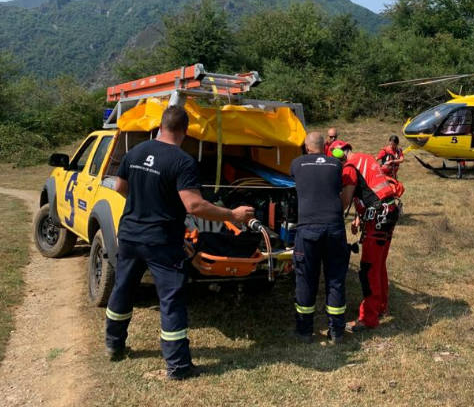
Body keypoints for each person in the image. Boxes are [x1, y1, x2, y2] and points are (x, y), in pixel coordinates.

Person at [105, 105, 254, 380]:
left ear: (160, 126)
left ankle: (114, 345)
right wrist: (233, 215)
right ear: (185, 131)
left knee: (123, 289)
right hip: (160, 241)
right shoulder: (182, 161)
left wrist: (145, 205)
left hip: (128, 235)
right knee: (171, 300)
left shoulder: (135, 152)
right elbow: (194, 205)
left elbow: (120, 189)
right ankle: (178, 366)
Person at [289, 132, 350, 344]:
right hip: (334, 226)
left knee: (306, 278)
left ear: (306, 147)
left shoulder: (297, 163)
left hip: (308, 228)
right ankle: (337, 331)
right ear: (325, 146)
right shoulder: (336, 164)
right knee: (335, 279)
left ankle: (305, 331)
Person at [335, 143, 403, 332]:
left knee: (369, 269)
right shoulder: (365, 158)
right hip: (388, 212)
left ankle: (368, 318)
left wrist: (332, 214)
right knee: (379, 264)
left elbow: (346, 198)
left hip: (378, 220)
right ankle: (381, 307)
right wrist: (359, 217)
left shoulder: (349, 167)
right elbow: (370, 189)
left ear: (339, 158)